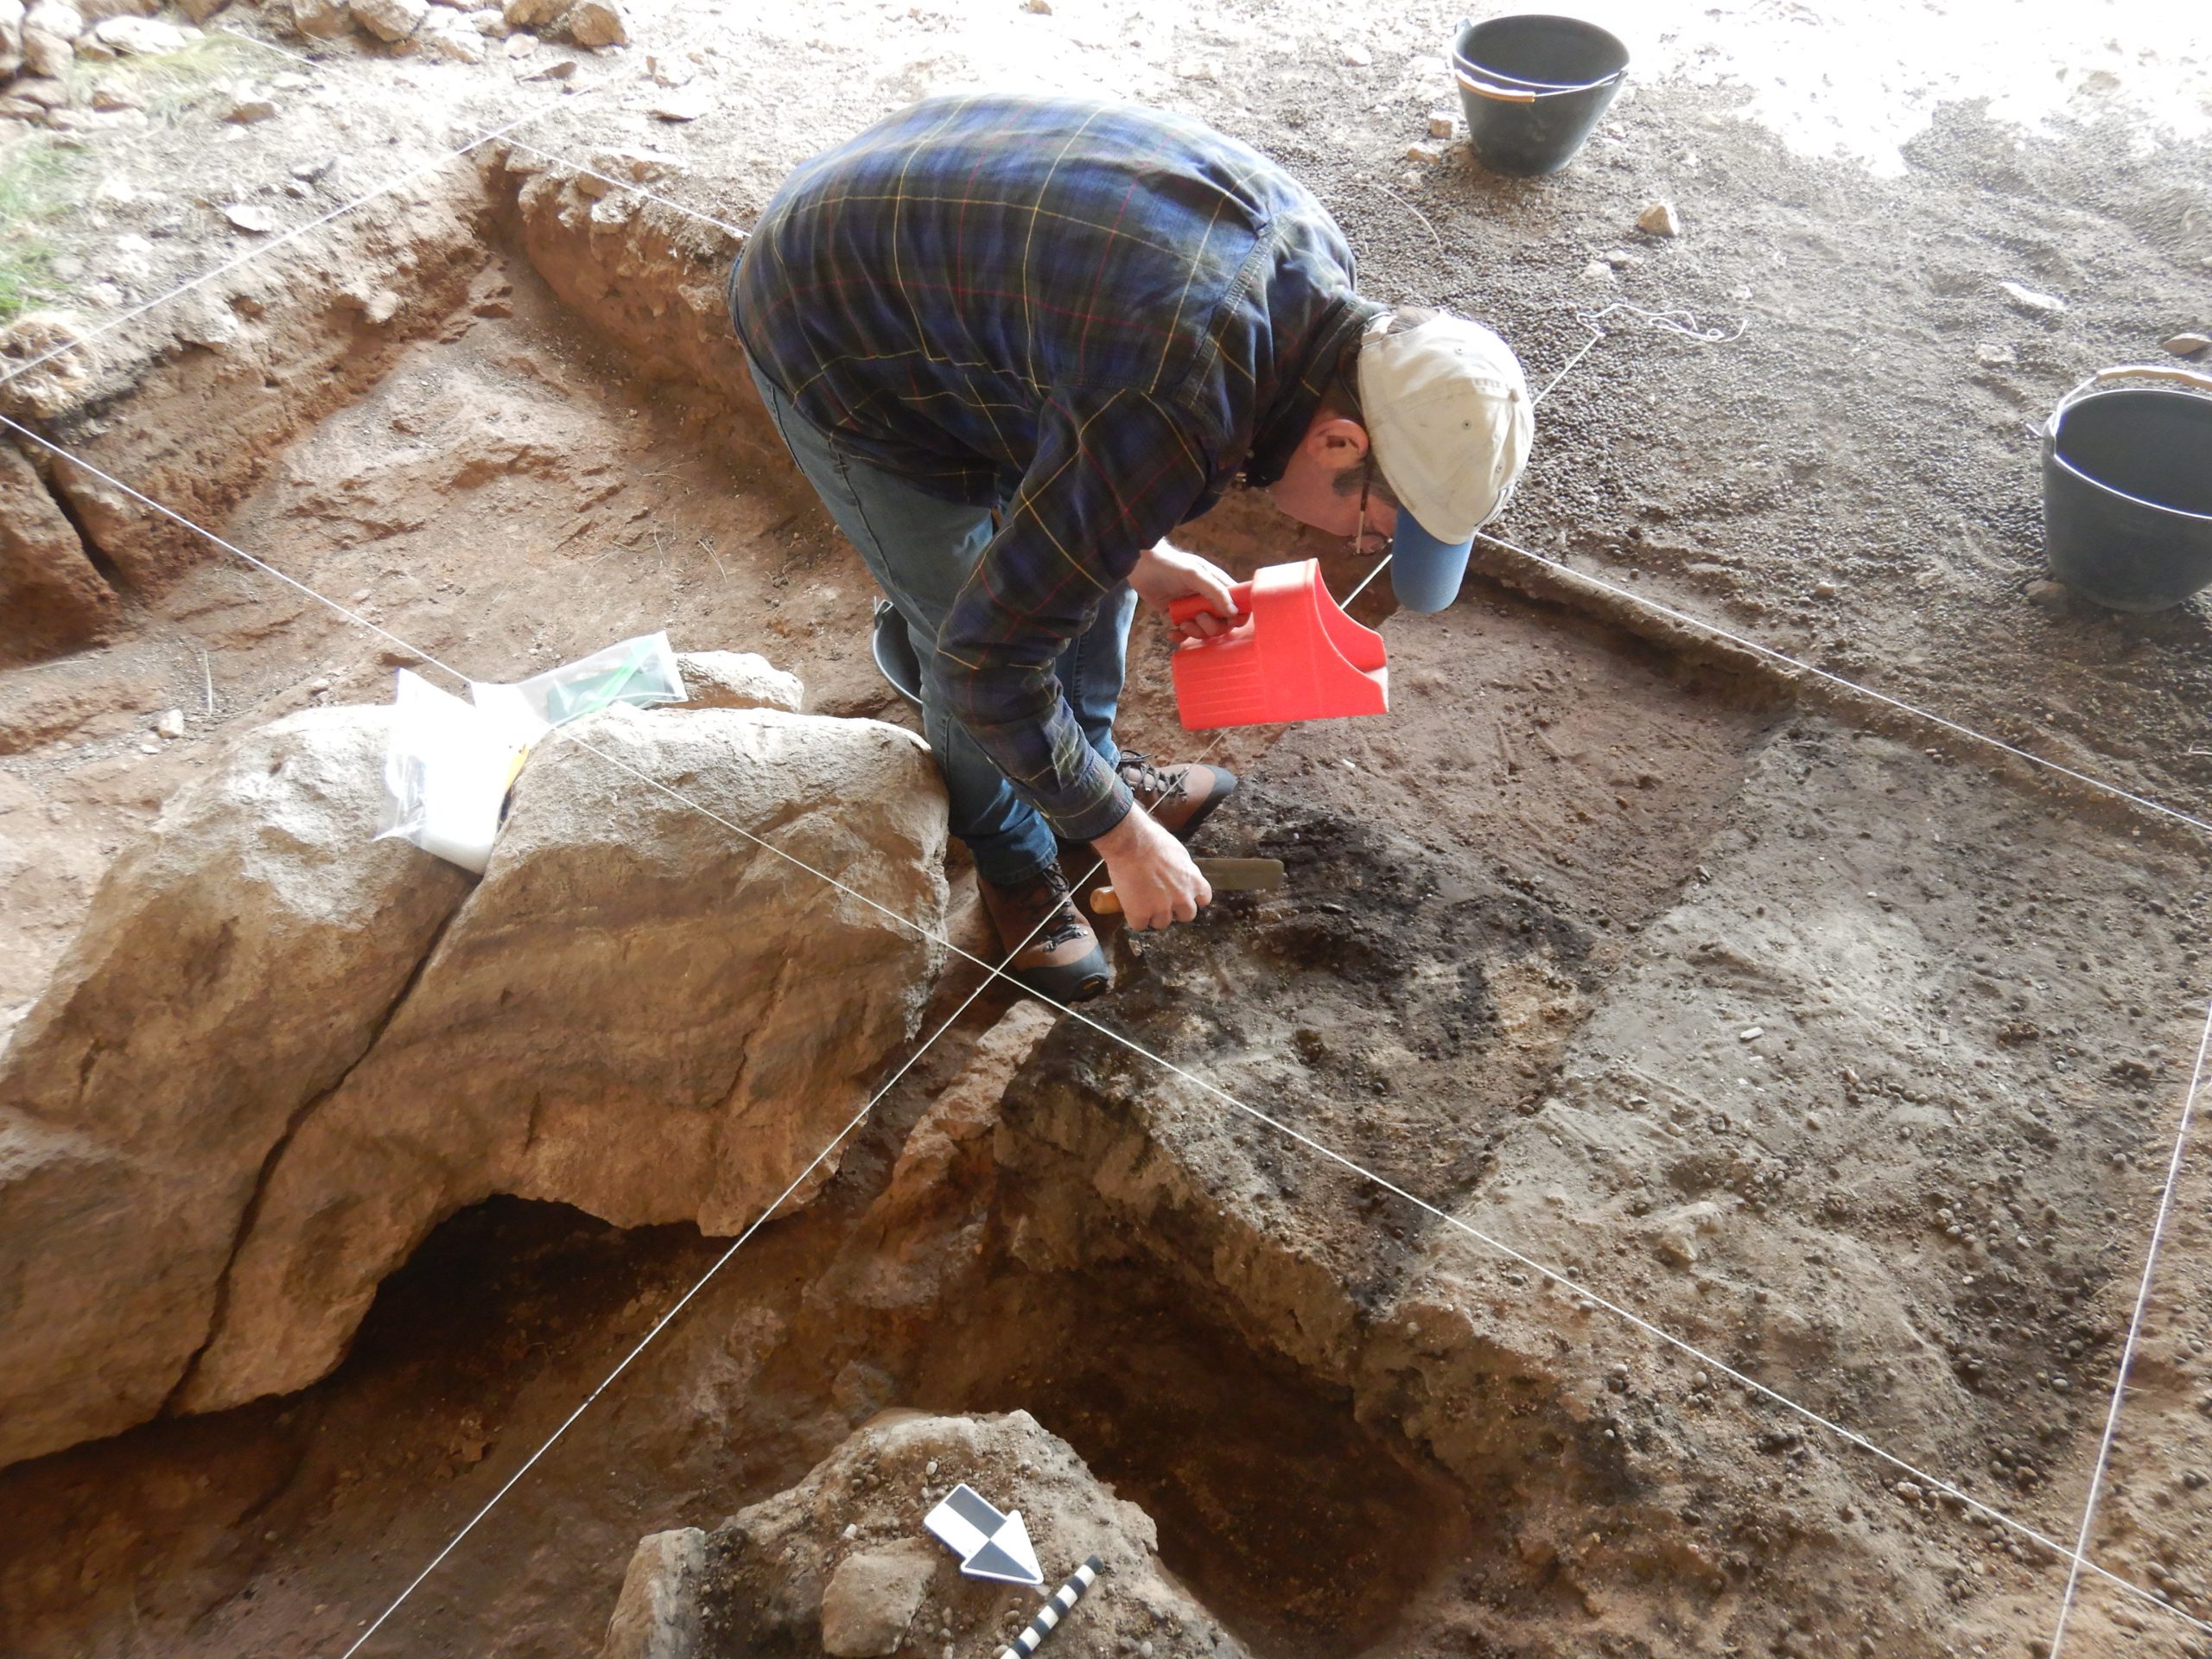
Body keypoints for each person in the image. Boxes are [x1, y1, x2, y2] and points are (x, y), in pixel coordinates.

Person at [729, 93, 1531, 1003]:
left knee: (1092, 542)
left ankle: (1091, 772)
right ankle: (1017, 860)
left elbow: (1107, 428)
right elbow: (983, 667)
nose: (1358, 542)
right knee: (959, 612)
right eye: (1374, 527)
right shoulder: (1171, 402)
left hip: (965, 287)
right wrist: (1123, 841)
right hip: (836, 319)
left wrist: (1142, 554)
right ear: (1339, 442)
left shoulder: (1325, 308)